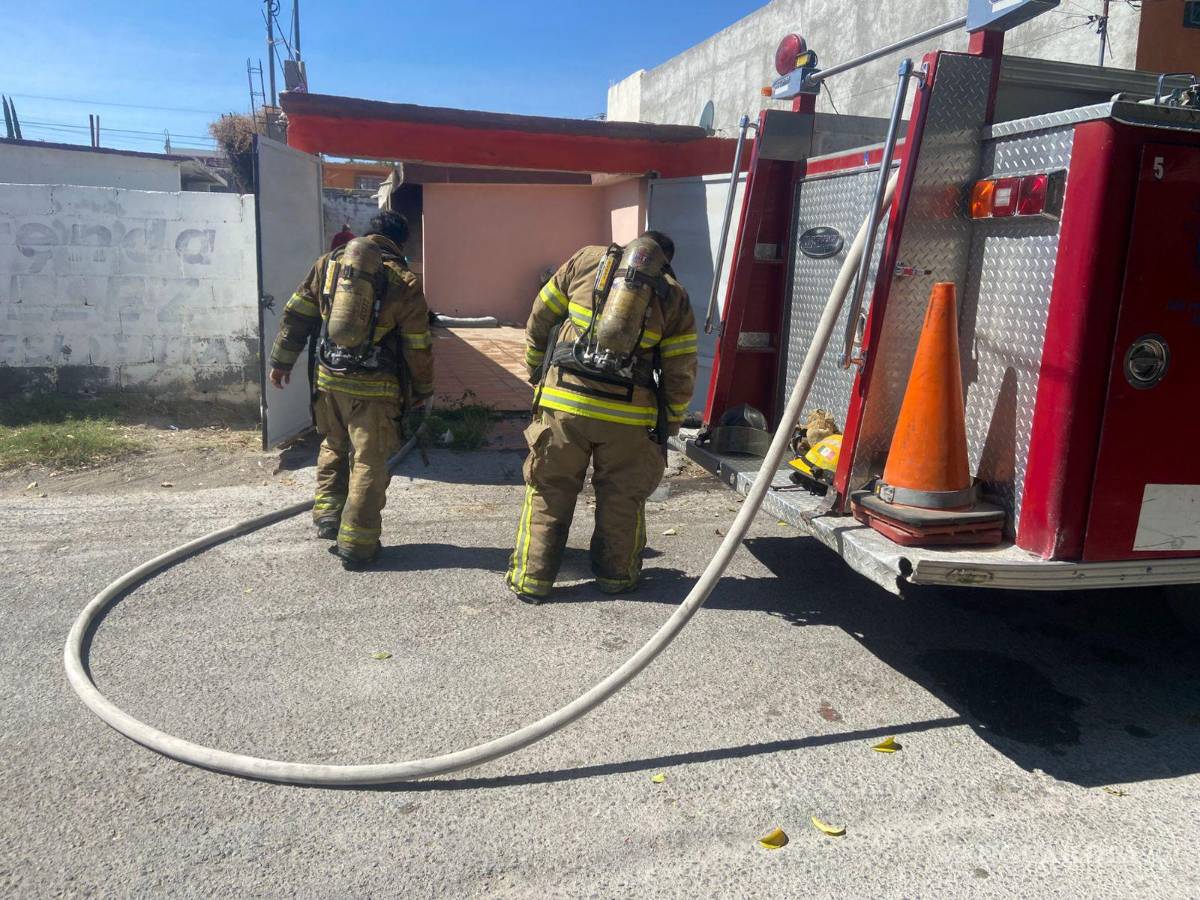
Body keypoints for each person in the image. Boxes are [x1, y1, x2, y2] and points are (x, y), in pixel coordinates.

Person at [506, 231, 698, 603]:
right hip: (628, 418)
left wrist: (536, 373)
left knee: (549, 490)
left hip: (564, 406)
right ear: (665, 264)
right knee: (622, 498)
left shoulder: (584, 261)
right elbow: (681, 373)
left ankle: (532, 580)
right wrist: (668, 424)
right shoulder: (673, 295)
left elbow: (539, 319)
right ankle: (617, 578)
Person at [268, 210, 433, 569]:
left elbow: (298, 313)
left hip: (328, 379)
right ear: (399, 242)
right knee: (369, 461)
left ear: (368, 233)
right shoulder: (404, 280)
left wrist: (281, 361)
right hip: (374, 389)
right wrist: (423, 387)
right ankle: (358, 545)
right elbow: (417, 344)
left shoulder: (329, 264)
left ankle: (327, 516)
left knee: (332, 443)